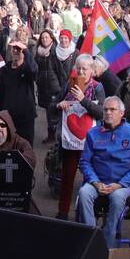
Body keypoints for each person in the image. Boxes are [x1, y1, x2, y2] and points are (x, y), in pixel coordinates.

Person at [75, 96, 130, 247]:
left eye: (113, 110)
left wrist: (119, 184)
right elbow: (84, 162)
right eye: (106, 109)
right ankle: (91, 237)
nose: (108, 113)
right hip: (97, 181)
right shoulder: (93, 133)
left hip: (122, 184)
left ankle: (109, 240)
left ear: (121, 113)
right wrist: (95, 182)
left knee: (116, 197)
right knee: (83, 193)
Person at [52, 53, 105, 220]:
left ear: (91, 71)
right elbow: (52, 105)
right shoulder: (69, 84)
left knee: (89, 178)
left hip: (90, 141)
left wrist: (83, 100)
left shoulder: (97, 88)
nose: (81, 72)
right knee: (67, 177)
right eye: (79, 68)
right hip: (71, 141)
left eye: (85, 69)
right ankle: (63, 212)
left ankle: (85, 212)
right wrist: (59, 105)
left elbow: (102, 113)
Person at [0, 38, 39, 145]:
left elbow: (34, 70)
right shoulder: (4, 70)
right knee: (7, 147)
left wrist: (25, 50)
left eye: (18, 49)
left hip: (25, 117)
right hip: (7, 117)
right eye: (13, 49)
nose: (15, 51)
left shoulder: (27, 69)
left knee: (26, 146)